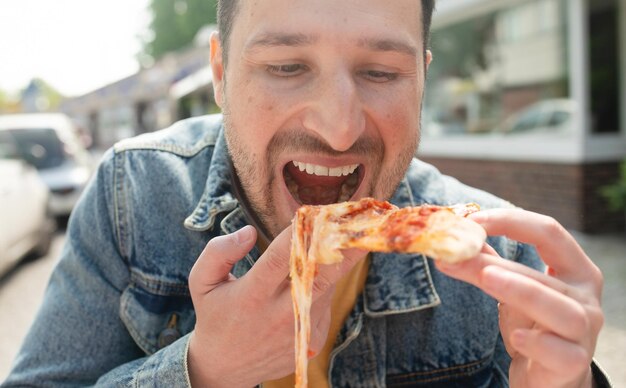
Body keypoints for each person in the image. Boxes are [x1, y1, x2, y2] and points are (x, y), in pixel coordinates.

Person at [3, 0, 610, 387]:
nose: (338, 127)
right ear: (220, 75)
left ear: (423, 78)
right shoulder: (130, 196)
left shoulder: (503, 255)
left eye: (380, 73)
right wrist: (204, 372)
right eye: (286, 66)